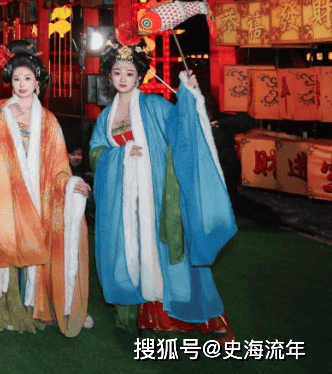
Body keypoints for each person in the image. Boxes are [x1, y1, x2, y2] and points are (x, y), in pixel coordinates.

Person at [90, 35, 236, 337]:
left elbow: (182, 129)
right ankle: (149, 314)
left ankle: (197, 316)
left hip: (159, 192)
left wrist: (189, 94)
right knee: (134, 250)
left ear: (139, 76)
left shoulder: (155, 105)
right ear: (109, 76)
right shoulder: (105, 117)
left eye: (129, 73)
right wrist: (121, 154)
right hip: (125, 199)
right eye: (117, 72)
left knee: (168, 249)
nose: (122, 78)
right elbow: (96, 154)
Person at [0, 39, 92, 336]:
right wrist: (1, 123)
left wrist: (70, 183)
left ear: (38, 83)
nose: (22, 85)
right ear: (9, 82)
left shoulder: (48, 120)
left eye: (28, 79)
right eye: (16, 79)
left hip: (38, 195)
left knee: (37, 249)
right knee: (5, 244)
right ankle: (9, 308)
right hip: (3, 194)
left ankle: (35, 305)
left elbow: (58, 164)